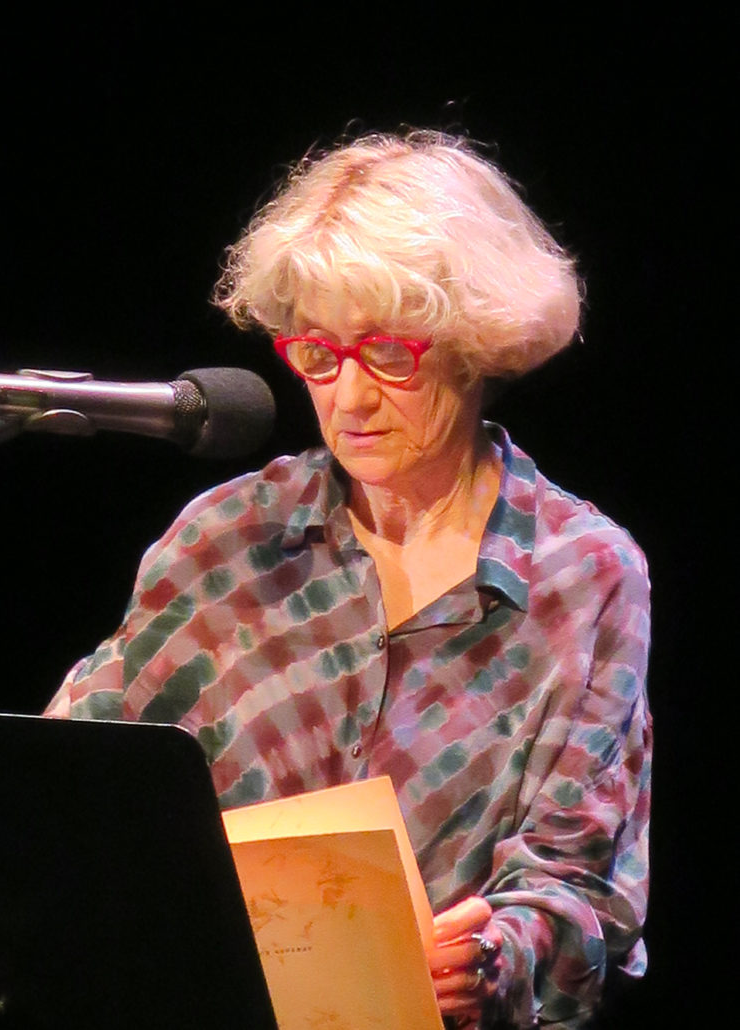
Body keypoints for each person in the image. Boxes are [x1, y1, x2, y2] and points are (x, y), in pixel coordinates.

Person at [45, 130, 651, 1028]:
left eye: (389, 354)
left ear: (474, 346)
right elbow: (66, 780)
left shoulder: (579, 572)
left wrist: (496, 954)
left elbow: (580, 884)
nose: (350, 398)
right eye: (319, 355)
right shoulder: (228, 539)